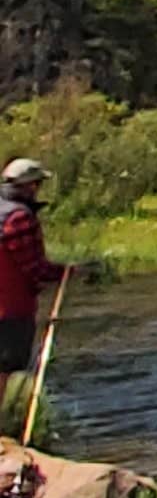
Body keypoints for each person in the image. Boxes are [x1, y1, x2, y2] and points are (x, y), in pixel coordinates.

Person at [1, 157, 55, 444]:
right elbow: (35, 268)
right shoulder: (20, 218)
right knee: (4, 370)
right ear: (30, 186)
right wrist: (68, 271)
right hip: (9, 308)